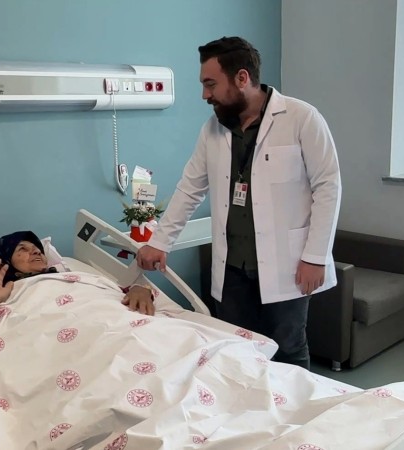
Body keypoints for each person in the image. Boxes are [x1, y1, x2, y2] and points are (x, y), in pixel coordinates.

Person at [136, 36, 341, 370]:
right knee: (235, 349)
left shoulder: (301, 118)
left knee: (288, 348)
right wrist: (160, 242)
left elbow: (328, 188)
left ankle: (293, 404)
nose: (205, 95)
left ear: (242, 78)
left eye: (210, 84)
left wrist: (315, 257)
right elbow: (190, 188)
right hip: (233, 268)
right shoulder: (213, 130)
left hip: (287, 264)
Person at [0, 231, 154, 352]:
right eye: (22, 249)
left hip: (122, 331)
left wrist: (141, 290)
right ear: (4, 262)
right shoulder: (7, 295)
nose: (35, 252)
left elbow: (109, 294)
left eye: (37, 249)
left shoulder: (72, 277)